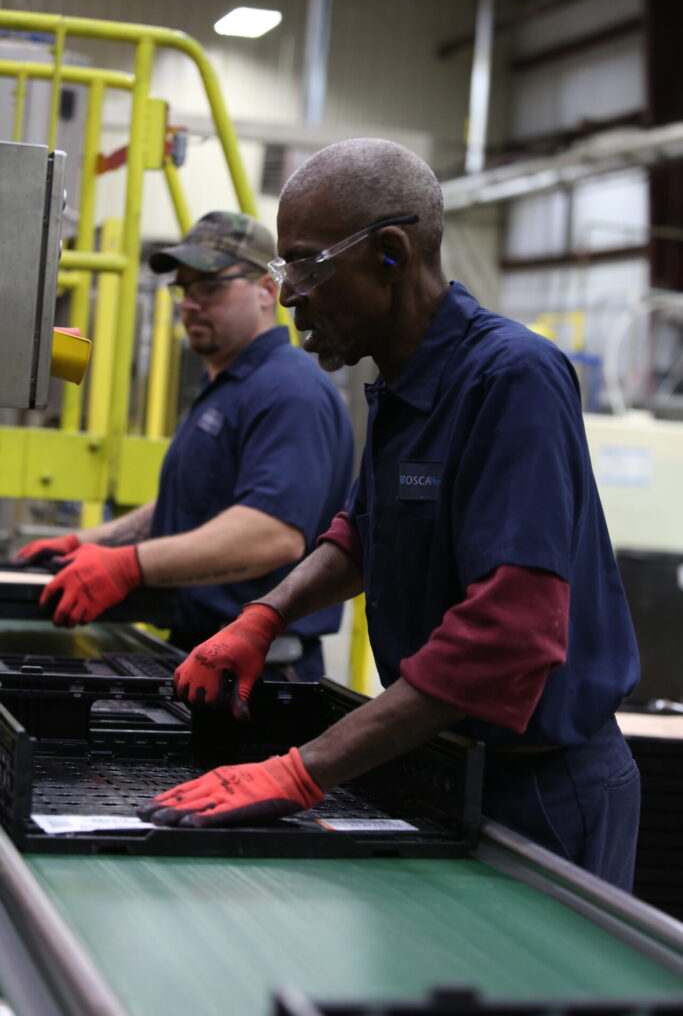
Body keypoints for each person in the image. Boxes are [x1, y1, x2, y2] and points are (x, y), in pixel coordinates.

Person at [137, 140, 641, 891]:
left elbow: (507, 637)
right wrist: (264, 617)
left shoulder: (510, 379)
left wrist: (302, 772)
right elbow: (362, 534)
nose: (288, 295)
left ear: (389, 254)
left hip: (541, 787)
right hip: (441, 763)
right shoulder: (401, 383)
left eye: (304, 266)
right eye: (282, 271)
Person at [14, 211, 354, 683]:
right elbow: (190, 503)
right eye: (184, 289)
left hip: (261, 673)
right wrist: (87, 544)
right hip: (202, 653)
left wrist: (129, 566)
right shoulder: (232, 385)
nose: (190, 304)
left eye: (210, 286)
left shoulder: (288, 390)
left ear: (266, 289)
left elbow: (272, 533)